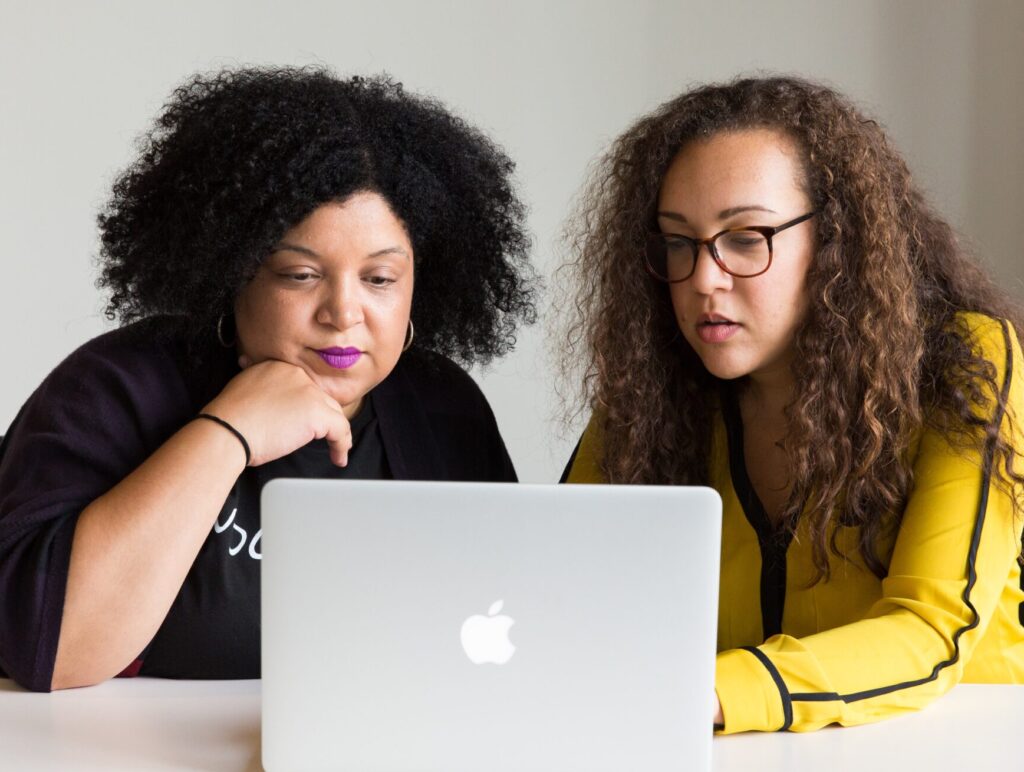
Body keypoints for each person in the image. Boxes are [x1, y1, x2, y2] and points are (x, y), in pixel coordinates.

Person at [0, 67, 536, 692]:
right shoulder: (117, 388)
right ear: (233, 271)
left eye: (380, 279)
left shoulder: (444, 408)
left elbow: (514, 620)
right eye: (300, 275)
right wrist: (227, 431)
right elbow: (43, 649)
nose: (343, 312)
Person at [559, 75, 1024, 733]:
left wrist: (705, 694)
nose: (704, 279)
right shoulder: (653, 388)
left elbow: (930, 629)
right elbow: (561, 586)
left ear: (837, 242)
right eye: (677, 243)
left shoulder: (963, 362)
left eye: (746, 237)